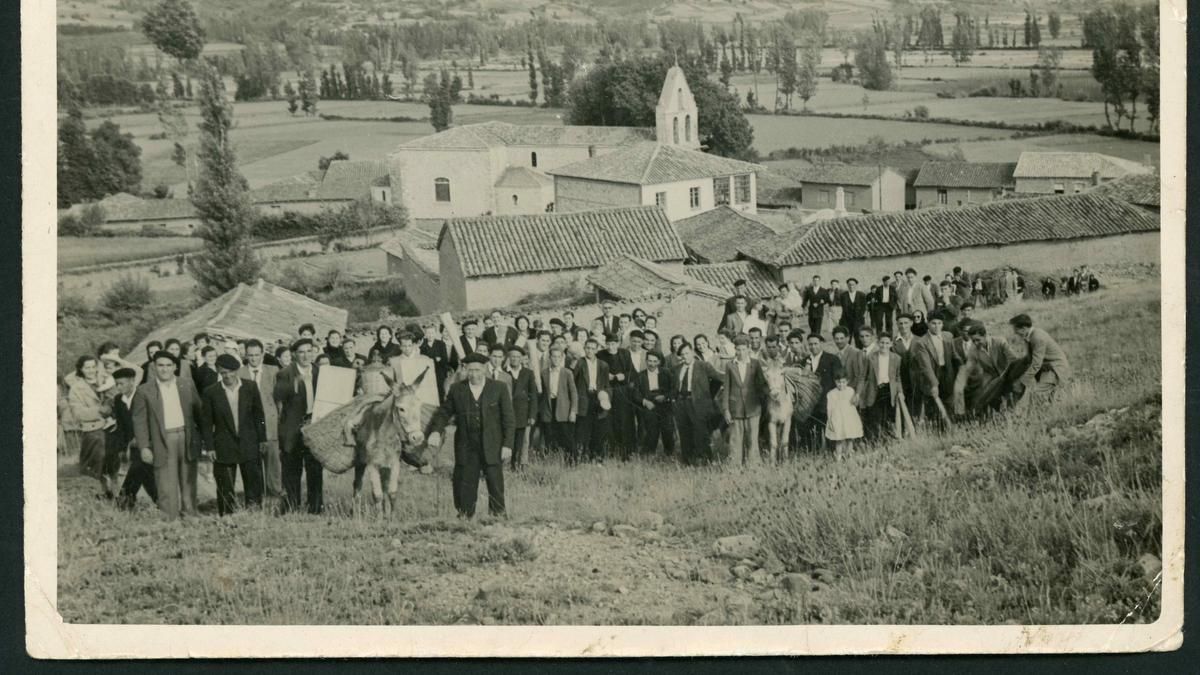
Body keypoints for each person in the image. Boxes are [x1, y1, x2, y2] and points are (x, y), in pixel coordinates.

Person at [426, 353, 514, 519]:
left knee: (495, 483)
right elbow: (443, 413)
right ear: (465, 370)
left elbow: (509, 419)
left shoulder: (499, 388)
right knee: (466, 482)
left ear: (485, 369)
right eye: (471, 370)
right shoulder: (457, 389)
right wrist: (436, 431)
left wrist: (507, 445)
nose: (474, 374)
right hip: (467, 445)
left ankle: (498, 517)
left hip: (492, 444)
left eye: (478, 370)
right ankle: (465, 517)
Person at [132, 350, 204, 520]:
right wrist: (144, 447)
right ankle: (170, 517)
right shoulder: (144, 390)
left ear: (175, 367)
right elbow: (139, 421)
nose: (164, 369)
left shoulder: (186, 384)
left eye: (168, 365)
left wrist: (202, 439)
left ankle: (190, 513)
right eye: (160, 365)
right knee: (165, 481)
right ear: (154, 367)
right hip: (162, 439)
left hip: (185, 436)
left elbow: (198, 412)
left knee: (188, 478)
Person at [200, 354, 267, 515]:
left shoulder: (250, 387)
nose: (227, 375)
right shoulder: (211, 392)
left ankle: (254, 514)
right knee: (225, 485)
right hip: (224, 444)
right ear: (218, 372)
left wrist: (262, 439)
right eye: (223, 372)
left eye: (230, 371)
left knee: (253, 483)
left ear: (237, 370)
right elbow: (207, 423)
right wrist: (209, 447)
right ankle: (227, 517)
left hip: (249, 442)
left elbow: (259, 416)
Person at [274, 338, 323, 515]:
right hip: (293, 428)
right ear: (295, 354)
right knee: (292, 470)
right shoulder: (285, 373)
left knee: (315, 468)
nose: (305, 355)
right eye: (301, 352)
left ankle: (315, 508)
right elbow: (278, 395)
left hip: (314, 426)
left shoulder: (320, 372)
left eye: (309, 351)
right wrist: (297, 381)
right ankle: (291, 508)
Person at [240, 339, 282, 499]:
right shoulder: (240, 373)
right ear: (245, 355)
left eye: (257, 355)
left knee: (273, 466)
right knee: (253, 466)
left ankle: (275, 498)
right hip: (250, 428)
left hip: (270, 426)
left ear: (262, 354)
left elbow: (279, 401)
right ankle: (256, 501)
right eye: (250, 355)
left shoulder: (273, 371)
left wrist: (280, 423)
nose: (253, 359)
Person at [719, 336, 768, 467]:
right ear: (735, 350)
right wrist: (726, 410)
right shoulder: (730, 365)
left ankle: (753, 465)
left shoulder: (755, 364)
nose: (741, 352)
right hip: (736, 408)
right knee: (736, 438)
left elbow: (762, 384)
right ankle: (734, 465)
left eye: (744, 349)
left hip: (753, 407)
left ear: (748, 349)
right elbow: (726, 389)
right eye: (739, 350)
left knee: (752, 438)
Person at [952, 323, 1021, 417]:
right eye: (973, 341)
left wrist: (1007, 377)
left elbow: (1013, 361)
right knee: (985, 400)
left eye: (978, 340)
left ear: (985, 335)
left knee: (1014, 401)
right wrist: (959, 387)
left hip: (1010, 375)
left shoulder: (1000, 342)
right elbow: (967, 369)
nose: (976, 343)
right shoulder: (973, 350)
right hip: (992, 379)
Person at [672, 343, 723, 466]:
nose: (685, 356)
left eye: (687, 353)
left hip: (698, 403)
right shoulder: (677, 368)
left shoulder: (703, 366)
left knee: (700, 431)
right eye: (682, 354)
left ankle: (705, 459)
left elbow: (718, 379)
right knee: (684, 431)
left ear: (693, 353)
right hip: (681, 403)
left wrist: (708, 395)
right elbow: (674, 386)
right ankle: (687, 460)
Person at [65, 355, 111, 492]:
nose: (91, 370)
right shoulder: (76, 389)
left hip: (111, 425)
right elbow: (78, 413)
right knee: (97, 451)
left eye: (93, 367)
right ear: (81, 369)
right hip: (92, 428)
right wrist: (99, 411)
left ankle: (115, 491)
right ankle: (98, 489)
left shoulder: (106, 382)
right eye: (87, 367)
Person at [114, 366, 157, 510]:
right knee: (146, 475)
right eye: (117, 384)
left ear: (132, 381)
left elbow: (152, 421)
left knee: (138, 470)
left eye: (122, 383)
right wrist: (121, 447)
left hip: (147, 443)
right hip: (132, 445)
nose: (119, 387)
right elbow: (121, 426)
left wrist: (144, 441)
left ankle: (123, 502)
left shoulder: (144, 396)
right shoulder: (118, 400)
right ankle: (162, 502)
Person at [1009, 314, 1071, 408]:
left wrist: (1021, 381)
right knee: (1050, 399)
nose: (1015, 334)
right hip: (1047, 368)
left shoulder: (1038, 337)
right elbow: (1030, 358)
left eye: (1016, 331)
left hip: (1055, 368)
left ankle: (1034, 418)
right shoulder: (1030, 336)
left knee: (1037, 395)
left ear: (1024, 328)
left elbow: (1036, 364)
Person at [910, 311, 959, 426]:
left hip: (947, 372)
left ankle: (951, 426)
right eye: (933, 323)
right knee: (934, 402)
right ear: (927, 323)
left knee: (949, 400)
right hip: (932, 374)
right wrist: (934, 384)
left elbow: (954, 355)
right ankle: (937, 428)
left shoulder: (948, 336)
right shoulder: (921, 342)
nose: (937, 326)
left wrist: (962, 369)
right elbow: (925, 366)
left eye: (939, 323)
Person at [798, 334, 840, 450]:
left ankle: (831, 454)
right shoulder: (803, 362)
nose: (813, 347)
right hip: (809, 404)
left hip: (827, 402)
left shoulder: (832, 359)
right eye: (810, 344)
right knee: (811, 432)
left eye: (815, 343)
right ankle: (813, 454)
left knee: (829, 430)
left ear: (821, 344)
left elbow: (838, 380)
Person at [573, 338, 611, 463]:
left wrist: (605, 396)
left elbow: (606, 384)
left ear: (597, 350)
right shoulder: (579, 363)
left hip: (598, 398)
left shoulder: (603, 365)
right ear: (584, 349)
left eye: (592, 348)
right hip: (584, 398)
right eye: (587, 348)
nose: (590, 351)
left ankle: (597, 456)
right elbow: (573, 382)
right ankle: (581, 455)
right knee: (583, 428)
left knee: (598, 428)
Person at [600, 332, 638, 458]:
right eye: (608, 344)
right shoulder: (600, 355)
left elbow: (632, 373)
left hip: (623, 391)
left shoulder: (625, 354)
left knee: (625, 420)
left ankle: (627, 451)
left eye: (613, 344)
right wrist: (606, 376)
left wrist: (624, 376)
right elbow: (596, 373)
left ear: (618, 343)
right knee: (609, 421)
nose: (610, 347)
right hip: (608, 391)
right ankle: (610, 450)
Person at [862, 332, 903, 441]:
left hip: (889, 390)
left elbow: (898, 377)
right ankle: (875, 442)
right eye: (882, 343)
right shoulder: (871, 357)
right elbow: (863, 376)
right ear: (877, 343)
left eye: (887, 343)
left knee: (889, 417)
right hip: (875, 390)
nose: (884, 346)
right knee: (875, 417)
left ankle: (889, 441)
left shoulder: (896, 358)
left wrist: (900, 392)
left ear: (891, 344)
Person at [633, 350, 675, 457]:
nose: (652, 364)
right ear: (646, 361)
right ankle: (648, 454)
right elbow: (635, 394)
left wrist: (665, 397)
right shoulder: (640, 375)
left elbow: (674, 389)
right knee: (651, 430)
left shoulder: (666, 373)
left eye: (654, 361)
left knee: (668, 429)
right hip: (649, 403)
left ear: (659, 362)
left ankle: (669, 454)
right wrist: (645, 402)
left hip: (664, 404)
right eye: (649, 361)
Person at [504, 345, 539, 469]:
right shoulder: (503, 372)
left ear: (521, 358)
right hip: (506, 412)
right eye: (512, 356)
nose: (515, 359)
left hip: (522, 413)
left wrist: (532, 415)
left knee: (521, 441)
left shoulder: (528, 373)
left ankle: (517, 465)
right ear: (508, 357)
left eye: (517, 357)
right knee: (507, 439)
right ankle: (506, 465)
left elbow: (533, 395)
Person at [539, 347, 578, 457]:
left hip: (563, 409)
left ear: (562, 358)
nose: (556, 359)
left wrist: (573, 411)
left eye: (558, 357)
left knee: (566, 437)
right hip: (548, 408)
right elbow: (542, 393)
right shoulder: (544, 373)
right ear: (549, 358)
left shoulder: (567, 373)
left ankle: (571, 461)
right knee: (550, 436)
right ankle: (553, 461)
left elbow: (573, 393)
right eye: (553, 356)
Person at [825, 370, 863, 461]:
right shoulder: (831, 394)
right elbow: (829, 409)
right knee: (839, 439)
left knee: (850, 437)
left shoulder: (850, 391)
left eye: (843, 382)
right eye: (838, 382)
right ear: (835, 382)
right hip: (837, 419)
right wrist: (830, 421)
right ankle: (838, 457)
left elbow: (853, 406)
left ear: (847, 381)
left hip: (849, 418)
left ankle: (849, 456)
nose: (841, 385)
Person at [831, 325, 869, 412]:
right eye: (836, 338)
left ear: (848, 338)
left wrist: (857, 394)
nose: (839, 341)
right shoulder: (835, 355)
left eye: (842, 338)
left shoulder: (856, 353)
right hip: (841, 395)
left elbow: (860, 377)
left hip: (853, 395)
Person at [839, 278, 869, 345]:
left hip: (858, 320)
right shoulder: (843, 295)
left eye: (853, 285)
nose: (851, 286)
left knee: (859, 339)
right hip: (846, 320)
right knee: (846, 339)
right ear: (847, 285)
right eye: (849, 285)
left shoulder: (862, 295)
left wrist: (859, 318)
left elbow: (863, 308)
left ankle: (860, 353)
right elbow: (843, 308)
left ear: (856, 285)